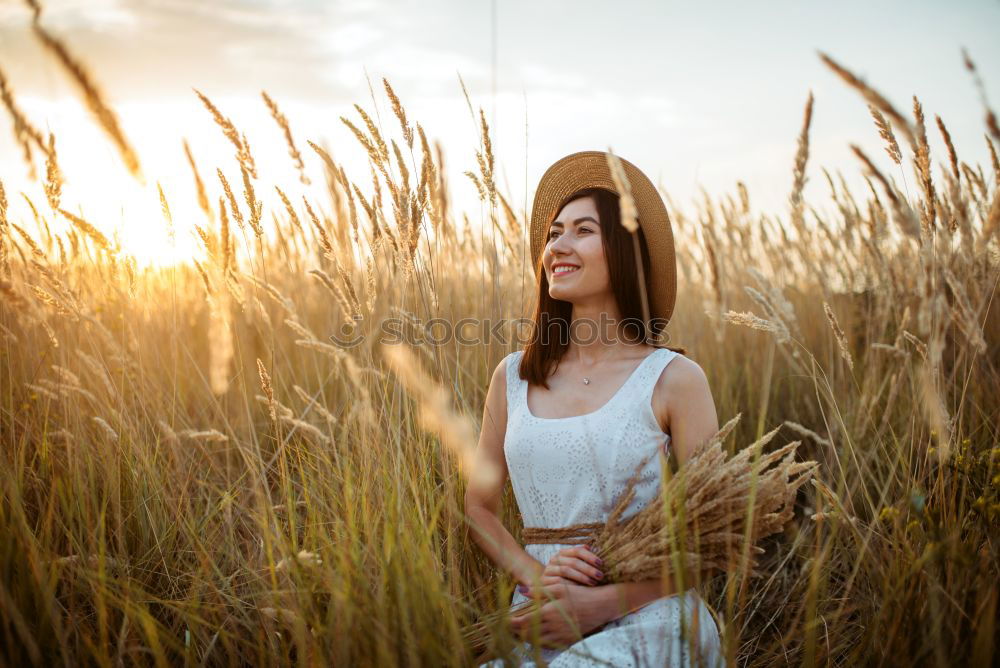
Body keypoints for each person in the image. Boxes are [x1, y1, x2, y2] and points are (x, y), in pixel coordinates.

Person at [465, 151, 726, 667]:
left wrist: (599, 604)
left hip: (652, 614)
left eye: (582, 231)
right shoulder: (513, 376)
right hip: (541, 613)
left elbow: (714, 535)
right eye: (552, 234)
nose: (557, 246)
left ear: (625, 252)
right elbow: (478, 508)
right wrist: (535, 578)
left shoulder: (674, 379)